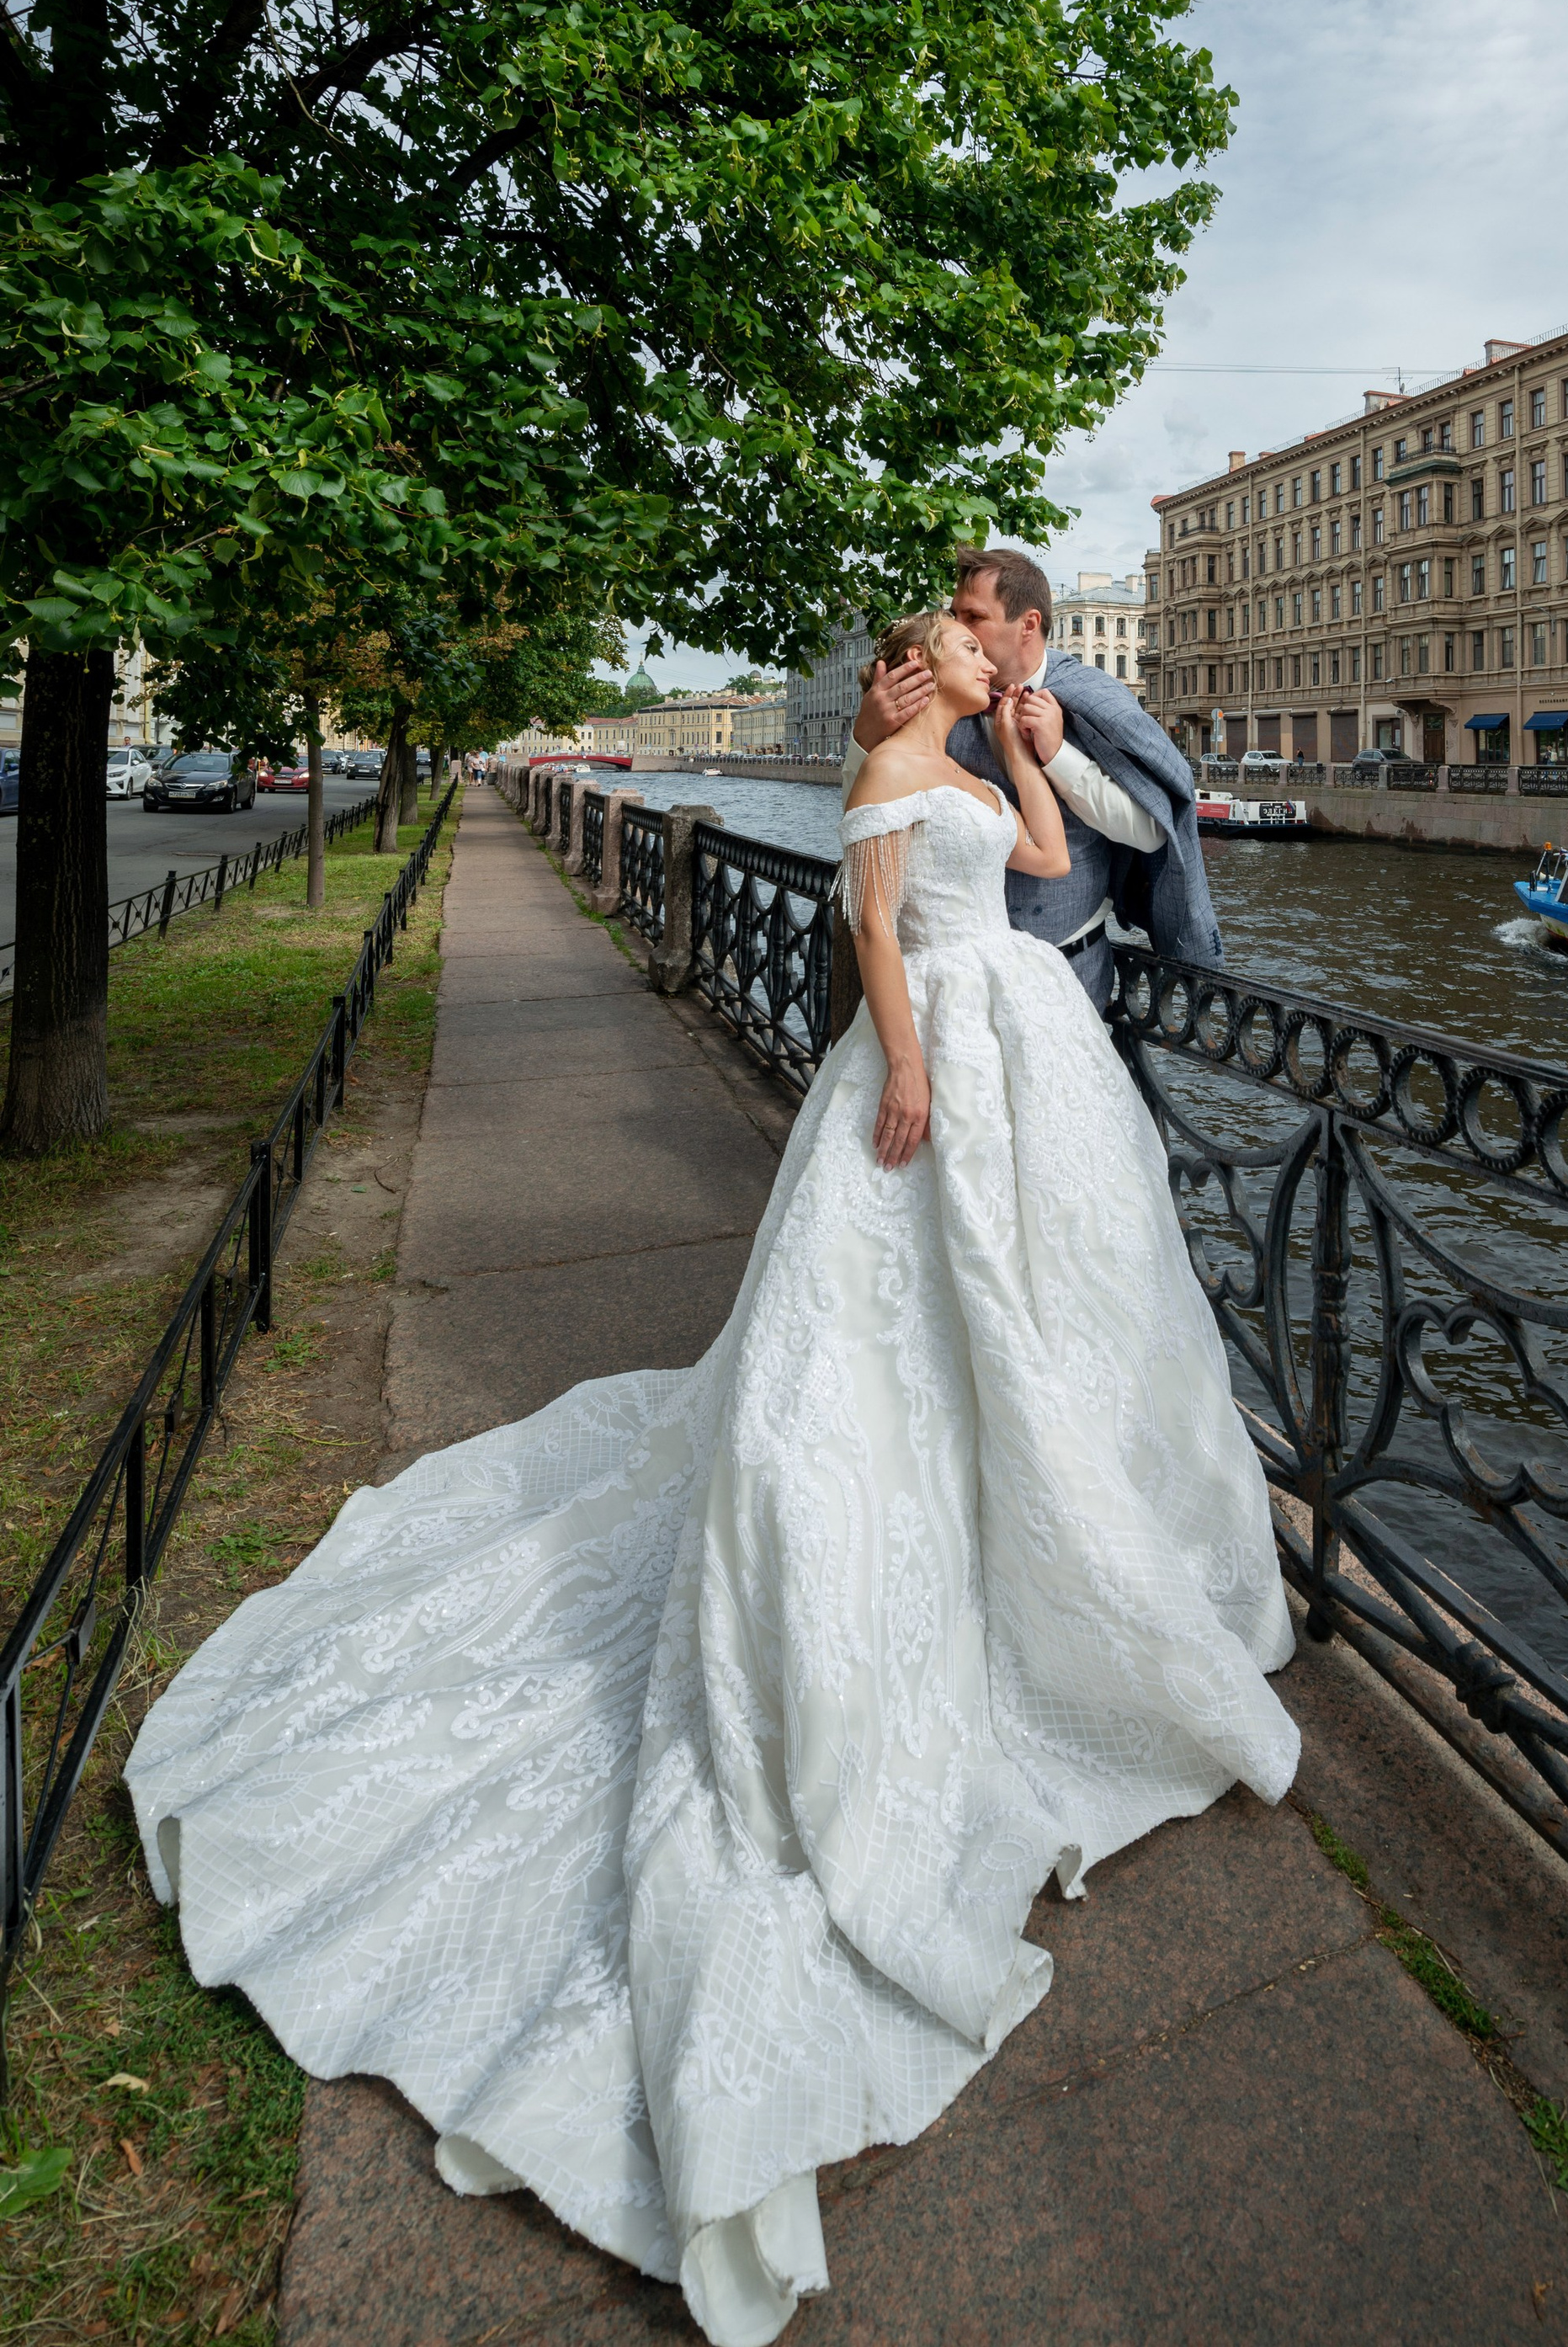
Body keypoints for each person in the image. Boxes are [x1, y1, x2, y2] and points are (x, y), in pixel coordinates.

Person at [125, 606, 1296, 2347]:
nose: (988, 660)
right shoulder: (896, 766)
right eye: (969, 652)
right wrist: (897, 1059)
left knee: (1050, 1328)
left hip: (1034, 1050)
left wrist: (1040, 756)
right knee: (889, 1341)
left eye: (988, 647)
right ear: (928, 672)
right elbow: (875, 930)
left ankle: (1040, 1534)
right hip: (938, 1063)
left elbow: (1055, 863)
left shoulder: (989, 752)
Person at [848, 545, 1220, 1010]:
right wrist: (864, 738)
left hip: (1071, 972)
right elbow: (867, 823)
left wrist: (1058, 754)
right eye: (955, 615)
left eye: (974, 617)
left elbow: (1151, 833)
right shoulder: (933, 700)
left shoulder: (1091, 696)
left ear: (1028, 624)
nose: (960, 627)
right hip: (954, 982)